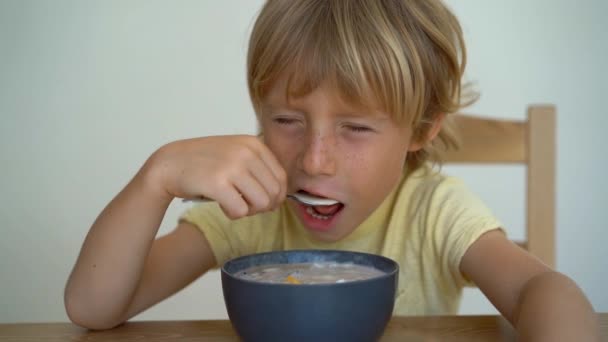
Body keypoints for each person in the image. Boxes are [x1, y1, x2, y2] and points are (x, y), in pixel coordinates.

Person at [64, 0, 599, 340]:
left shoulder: (437, 210)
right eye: (286, 120)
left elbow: (542, 290)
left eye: (357, 128)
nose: (314, 161)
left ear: (421, 130)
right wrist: (154, 179)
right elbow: (94, 308)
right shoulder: (249, 212)